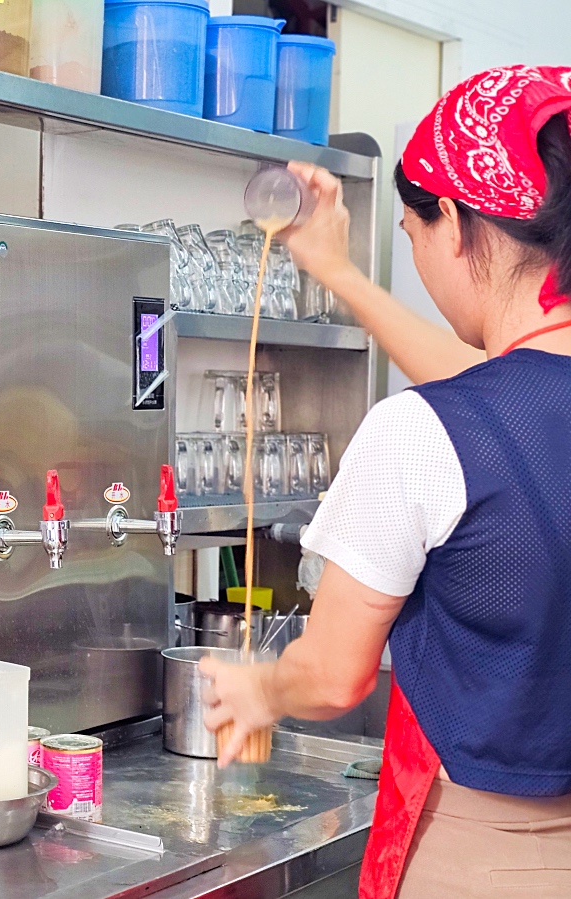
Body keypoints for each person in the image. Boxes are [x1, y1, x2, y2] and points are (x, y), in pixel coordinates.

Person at [199, 65, 571, 899]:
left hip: (482, 861)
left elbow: (336, 676)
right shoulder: (491, 414)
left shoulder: (421, 432)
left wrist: (259, 687)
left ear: (459, 227)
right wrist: (338, 271)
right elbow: (506, 396)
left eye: (409, 232)